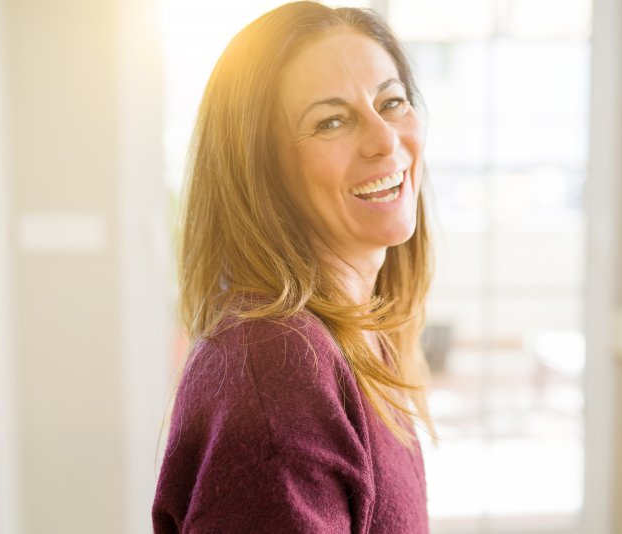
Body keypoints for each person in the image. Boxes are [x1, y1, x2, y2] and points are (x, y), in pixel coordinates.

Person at [153, 2, 436, 532]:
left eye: (391, 101)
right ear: (262, 171)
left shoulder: (356, 334)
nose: (385, 140)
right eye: (331, 121)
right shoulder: (277, 363)